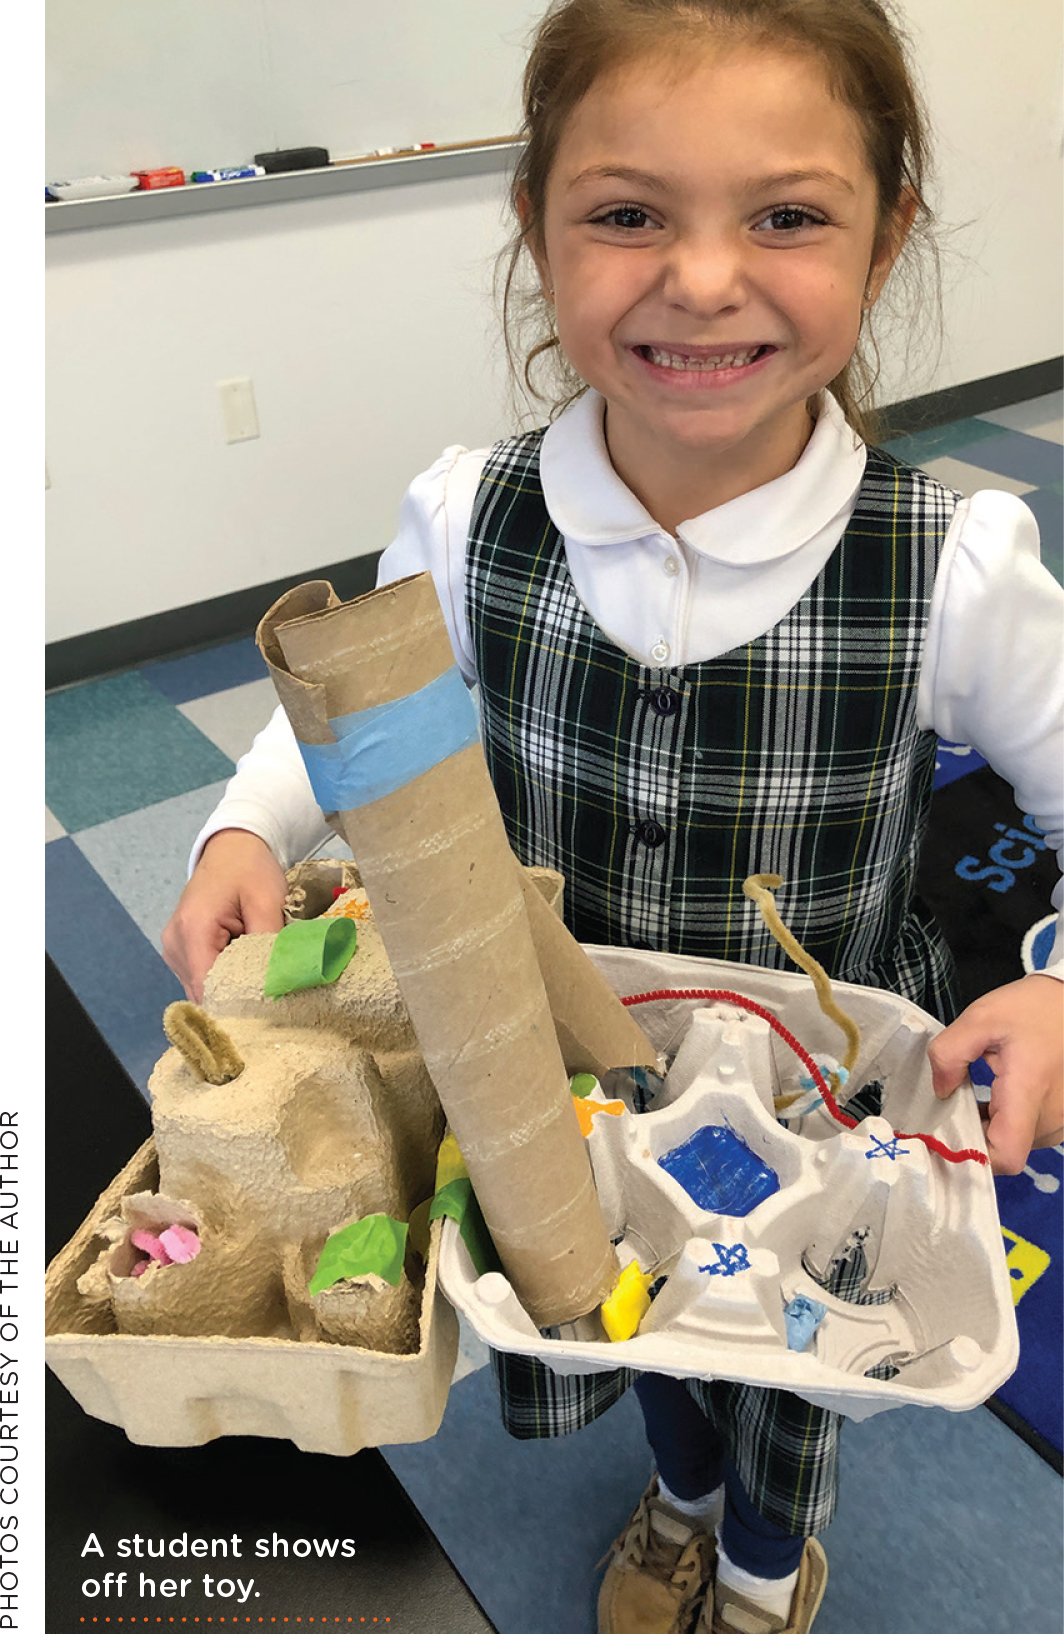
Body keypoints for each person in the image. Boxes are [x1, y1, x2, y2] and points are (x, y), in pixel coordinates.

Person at [163, 2, 1064, 1629]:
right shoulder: (467, 516)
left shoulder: (955, 562)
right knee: (607, 1311)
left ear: (889, 232)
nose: (702, 278)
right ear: (538, 226)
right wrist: (246, 827)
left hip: (824, 1106)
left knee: (794, 1372)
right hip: (562, 1081)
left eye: (786, 215)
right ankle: (680, 1491)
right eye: (628, 212)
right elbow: (363, 744)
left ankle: (760, 1561)